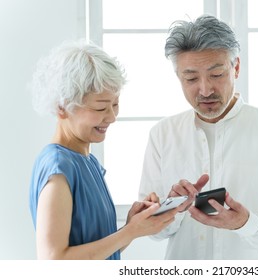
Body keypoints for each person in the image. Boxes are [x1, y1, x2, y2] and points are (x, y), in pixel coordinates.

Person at [138, 15, 258, 260]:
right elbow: (151, 231)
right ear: (178, 77)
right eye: (191, 78)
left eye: (216, 74)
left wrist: (246, 223)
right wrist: (172, 208)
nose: (205, 90)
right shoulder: (162, 134)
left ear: (235, 67)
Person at [29, 40, 177, 260]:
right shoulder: (58, 168)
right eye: (100, 107)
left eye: (115, 104)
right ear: (62, 107)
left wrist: (132, 227)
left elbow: (100, 254)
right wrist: (130, 231)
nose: (112, 117)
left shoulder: (87, 162)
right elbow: (54, 261)